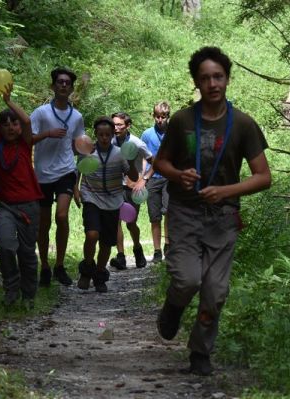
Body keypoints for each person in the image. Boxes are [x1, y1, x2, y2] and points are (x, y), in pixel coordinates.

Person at [154, 47, 271, 375]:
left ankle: (200, 353)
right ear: (196, 82)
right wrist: (178, 175)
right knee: (188, 279)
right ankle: (174, 306)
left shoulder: (243, 125)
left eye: (218, 76)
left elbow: (264, 177)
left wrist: (225, 192)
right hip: (184, 213)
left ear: (227, 79)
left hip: (223, 219)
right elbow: (160, 162)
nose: (212, 83)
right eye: (205, 78)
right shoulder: (181, 121)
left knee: (215, 292)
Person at [0, 83, 42, 308]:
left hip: (29, 205)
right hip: (6, 206)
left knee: (27, 253)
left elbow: (28, 121)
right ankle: (11, 289)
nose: (10, 127)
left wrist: (8, 101)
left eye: (13, 123)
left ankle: (28, 295)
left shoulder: (25, 144)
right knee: (7, 246)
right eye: (5, 124)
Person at [31, 67, 85, 287]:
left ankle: (59, 265)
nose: (63, 85)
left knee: (61, 217)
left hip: (66, 171)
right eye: (59, 82)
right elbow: (28, 139)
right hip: (43, 173)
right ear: (53, 86)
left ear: (72, 88)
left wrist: (85, 150)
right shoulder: (41, 113)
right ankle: (44, 265)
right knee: (43, 223)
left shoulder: (77, 116)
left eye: (67, 83)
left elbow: (78, 147)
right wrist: (47, 134)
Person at [74, 117, 139, 292]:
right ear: (95, 134)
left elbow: (132, 177)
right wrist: (76, 189)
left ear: (111, 135)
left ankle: (100, 274)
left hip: (113, 202)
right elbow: (77, 171)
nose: (104, 138)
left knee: (106, 243)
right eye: (101, 134)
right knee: (92, 234)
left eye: (107, 135)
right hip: (91, 198)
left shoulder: (119, 154)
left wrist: (132, 162)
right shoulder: (88, 152)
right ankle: (87, 270)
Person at [108, 112, 153, 270]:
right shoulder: (110, 141)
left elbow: (154, 162)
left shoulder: (137, 143)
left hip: (132, 188)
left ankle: (137, 249)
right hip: (115, 186)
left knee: (130, 222)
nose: (116, 128)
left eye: (120, 125)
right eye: (114, 124)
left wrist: (144, 179)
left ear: (128, 126)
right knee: (115, 220)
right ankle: (121, 256)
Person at [141, 101, 171, 264]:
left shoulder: (173, 133)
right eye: (157, 116)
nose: (160, 120)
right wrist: (141, 177)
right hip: (152, 178)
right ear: (153, 116)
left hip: (169, 177)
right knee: (154, 216)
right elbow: (143, 157)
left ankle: (168, 245)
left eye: (163, 117)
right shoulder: (147, 134)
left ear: (168, 116)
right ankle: (157, 250)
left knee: (169, 212)